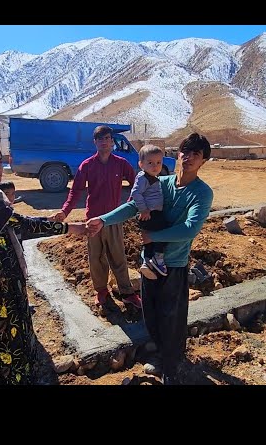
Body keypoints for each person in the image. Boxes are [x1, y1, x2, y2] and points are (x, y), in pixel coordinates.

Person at [0, 143, 88, 385]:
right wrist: (69, 228)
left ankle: (17, 376)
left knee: (12, 331)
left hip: (9, 277)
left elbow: (17, 224)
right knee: (2, 334)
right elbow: (23, 225)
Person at [87, 133, 213, 385]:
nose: (188, 158)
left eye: (195, 155)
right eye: (184, 152)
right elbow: (134, 205)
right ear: (177, 154)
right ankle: (159, 354)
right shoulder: (161, 182)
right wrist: (103, 219)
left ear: (203, 161)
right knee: (152, 314)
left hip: (174, 265)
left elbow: (189, 229)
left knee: (173, 319)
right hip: (149, 263)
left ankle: (172, 366)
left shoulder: (201, 193)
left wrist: (153, 235)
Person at [49, 125, 142, 310]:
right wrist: (64, 212)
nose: (104, 141)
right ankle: (101, 291)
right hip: (92, 220)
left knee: (118, 256)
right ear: (95, 142)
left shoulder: (121, 164)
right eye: (100, 139)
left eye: (107, 138)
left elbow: (136, 184)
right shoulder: (87, 165)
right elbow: (75, 191)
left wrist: (129, 206)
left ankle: (127, 293)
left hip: (113, 219)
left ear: (112, 141)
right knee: (96, 257)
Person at [130, 144, 168, 280]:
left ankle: (147, 261)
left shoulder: (152, 178)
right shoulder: (143, 178)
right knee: (162, 232)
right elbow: (135, 193)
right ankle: (158, 257)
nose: (155, 166)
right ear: (141, 164)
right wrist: (144, 209)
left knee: (149, 238)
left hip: (151, 212)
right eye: (150, 163)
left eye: (158, 162)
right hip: (151, 213)